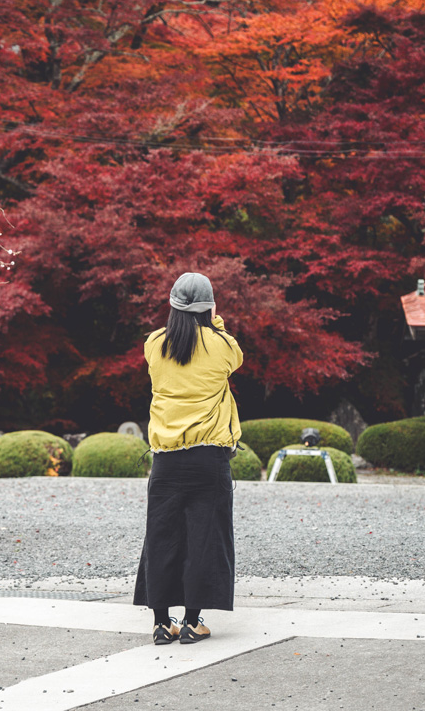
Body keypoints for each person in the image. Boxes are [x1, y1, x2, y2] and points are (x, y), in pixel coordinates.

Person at [133, 272, 243, 645]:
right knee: (204, 537)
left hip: (165, 460)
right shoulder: (222, 346)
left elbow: (175, 340)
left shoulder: (154, 344)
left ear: (172, 305)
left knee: (162, 536)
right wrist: (215, 320)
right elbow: (232, 352)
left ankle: (161, 623)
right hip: (208, 459)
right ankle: (193, 622)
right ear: (208, 308)